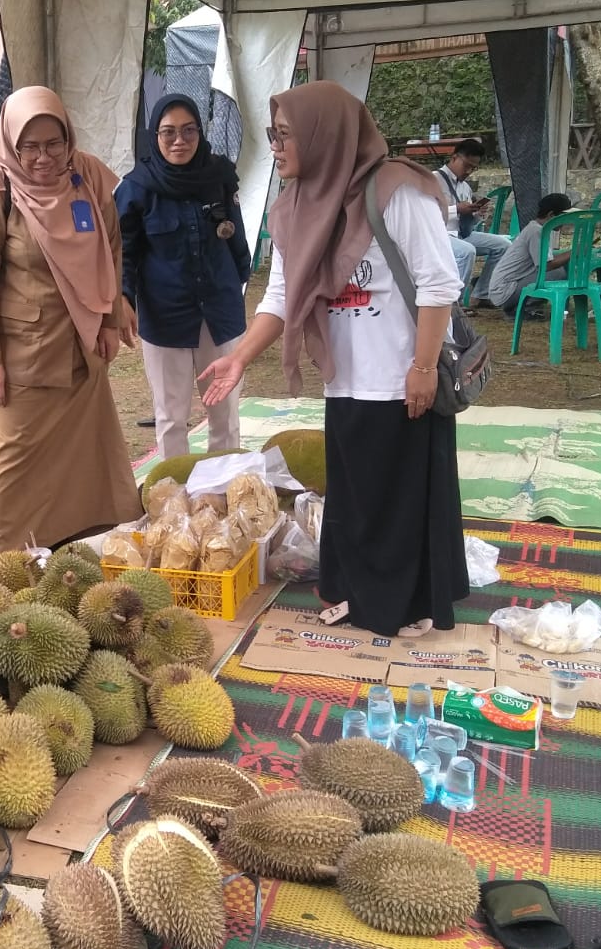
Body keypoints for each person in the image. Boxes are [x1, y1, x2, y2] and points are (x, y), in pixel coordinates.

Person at [199, 82, 468, 638]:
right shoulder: (296, 205)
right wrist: (240, 358)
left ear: (325, 134)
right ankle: (360, 595)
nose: (275, 146)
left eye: (285, 135)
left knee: (398, 503)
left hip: (399, 381)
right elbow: (280, 296)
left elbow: (439, 286)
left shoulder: (397, 191)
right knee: (358, 500)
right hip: (345, 383)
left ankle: (407, 604)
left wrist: (421, 369)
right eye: (272, 135)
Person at [0, 86, 142, 555]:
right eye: (30, 146)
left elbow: (111, 248)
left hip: (84, 349)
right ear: (10, 143)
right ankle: (2, 560)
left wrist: (107, 321)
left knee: (87, 456)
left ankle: (75, 543)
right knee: (14, 464)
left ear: (68, 141)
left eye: (53, 144)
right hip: (26, 353)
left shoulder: (86, 176)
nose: (43, 158)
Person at [116, 93, 250, 458]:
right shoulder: (137, 188)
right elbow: (124, 252)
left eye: (189, 131)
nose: (180, 141)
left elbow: (236, 239)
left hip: (219, 315)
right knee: (172, 417)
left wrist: (236, 287)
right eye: (169, 132)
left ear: (200, 133)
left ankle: (224, 493)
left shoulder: (219, 175)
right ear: (154, 136)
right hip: (165, 318)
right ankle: (175, 503)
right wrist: (124, 297)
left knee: (224, 412)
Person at [435, 138, 509, 305]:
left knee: (503, 245)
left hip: (462, 233)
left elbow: (469, 222)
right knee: (467, 251)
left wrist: (478, 213)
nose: (469, 171)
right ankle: (454, 303)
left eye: (473, 168)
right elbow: (425, 213)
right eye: (467, 165)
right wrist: (456, 209)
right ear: (454, 158)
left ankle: (481, 294)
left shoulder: (465, 187)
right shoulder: (433, 180)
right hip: (439, 233)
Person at [485, 193, 574, 321]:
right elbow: (547, 265)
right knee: (557, 273)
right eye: (564, 217)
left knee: (560, 267)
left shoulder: (536, 228)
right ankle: (524, 309)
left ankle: (523, 307)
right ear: (551, 215)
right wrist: (575, 251)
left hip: (506, 288)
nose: (566, 221)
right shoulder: (536, 231)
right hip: (505, 291)